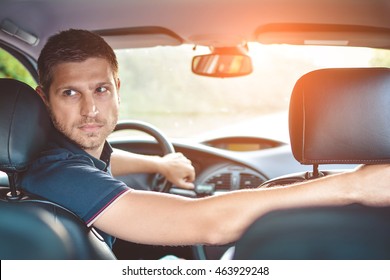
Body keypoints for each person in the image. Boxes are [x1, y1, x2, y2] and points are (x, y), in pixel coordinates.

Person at [19, 29, 390, 250]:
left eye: (100, 89)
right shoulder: (56, 173)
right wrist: (354, 185)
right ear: (43, 98)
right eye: (70, 93)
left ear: (118, 89)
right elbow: (205, 222)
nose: (90, 111)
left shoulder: (55, 159)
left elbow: (103, 162)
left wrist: (160, 164)